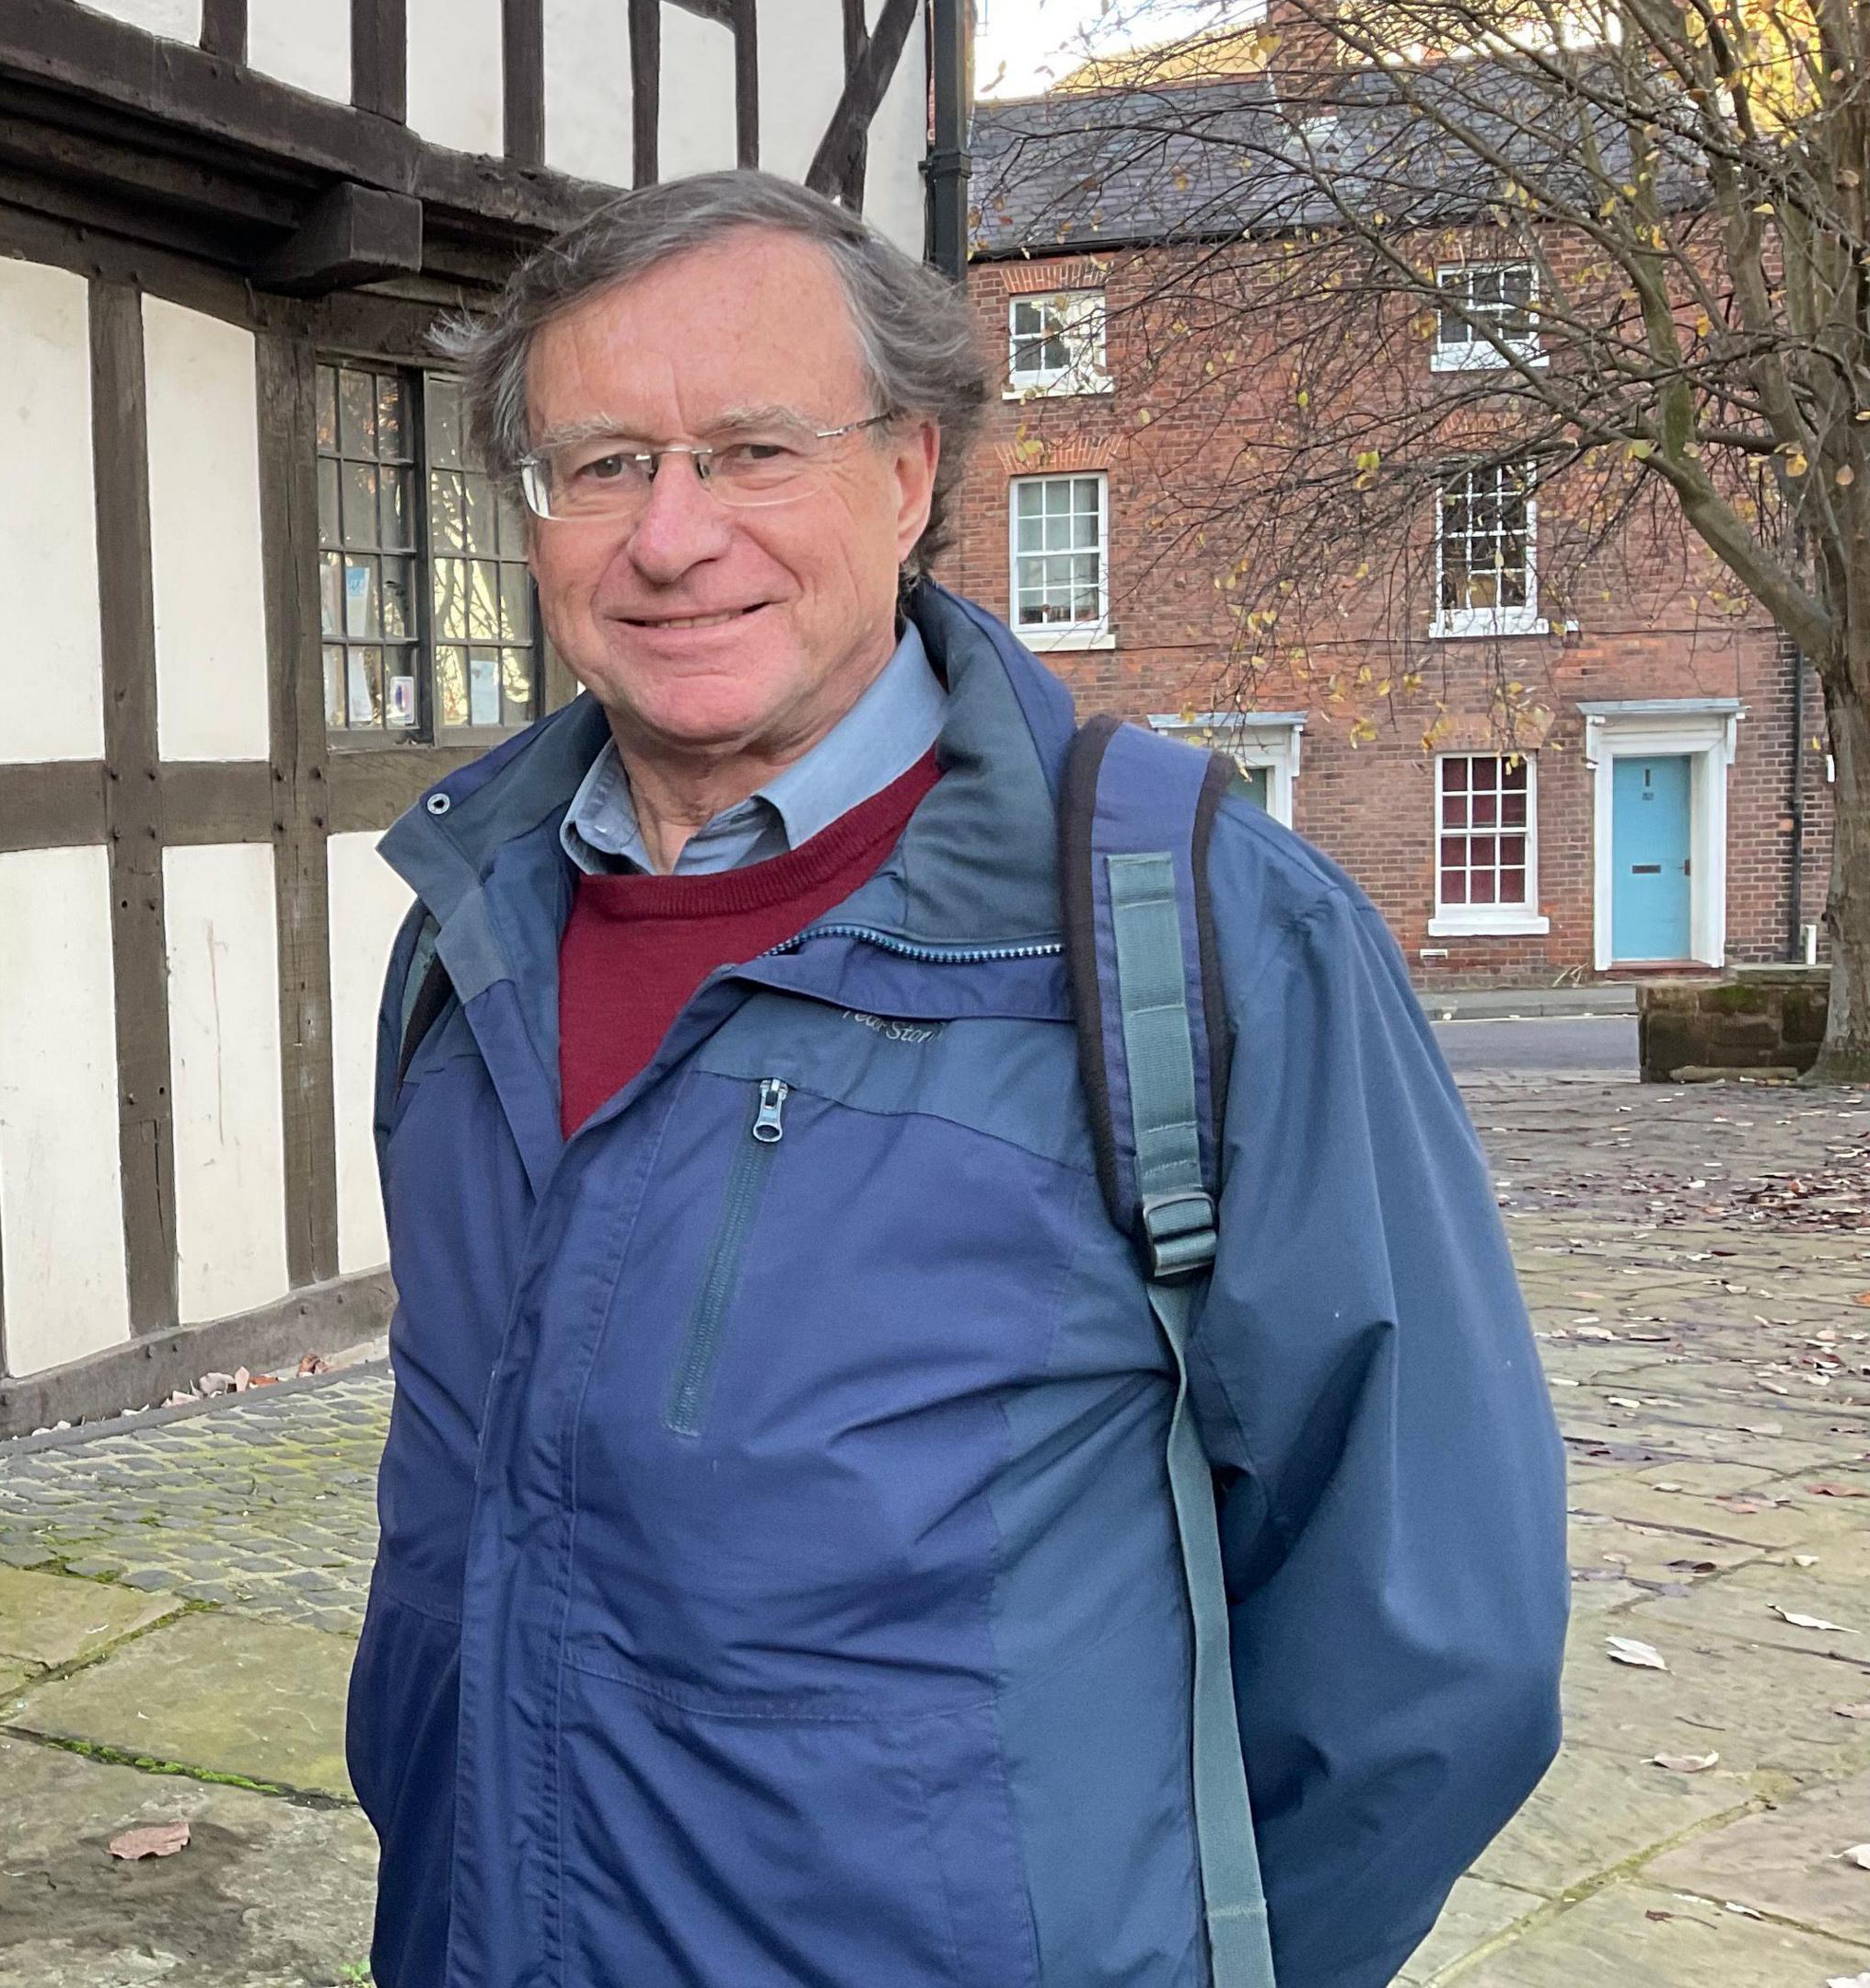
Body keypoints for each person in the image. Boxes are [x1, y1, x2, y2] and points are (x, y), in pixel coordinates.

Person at [347, 169, 1564, 1988]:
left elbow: (1431, 1659)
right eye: (602, 464)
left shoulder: (1194, 929)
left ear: (910, 474)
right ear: (535, 518)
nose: (671, 536)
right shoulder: (470, 923)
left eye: (756, 450)